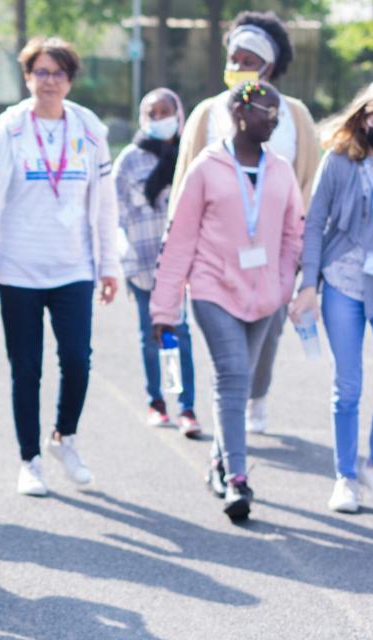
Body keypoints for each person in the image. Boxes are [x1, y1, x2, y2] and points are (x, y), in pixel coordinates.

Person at [0, 36, 119, 498]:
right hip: (17, 270)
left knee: (77, 359)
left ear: (70, 79)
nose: (49, 81)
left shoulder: (90, 130)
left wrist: (109, 263)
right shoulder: (10, 129)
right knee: (26, 368)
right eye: (40, 72)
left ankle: (64, 438)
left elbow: (106, 203)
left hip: (74, 267)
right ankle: (29, 459)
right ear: (28, 77)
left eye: (58, 72)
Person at [152, 81, 304, 521]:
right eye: (266, 110)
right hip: (214, 289)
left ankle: (220, 460)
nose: (273, 119)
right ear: (240, 112)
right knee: (233, 376)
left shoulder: (280, 170)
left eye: (278, 113)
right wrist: (164, 309)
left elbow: (293, 232)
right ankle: (238, 478)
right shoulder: (207, 167)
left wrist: (282, 281)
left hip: (266, 297)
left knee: (241, 381)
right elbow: (179, 241)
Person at [172, 11, 319, 436]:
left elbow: (307, 182)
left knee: (268, 332)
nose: (236, 64)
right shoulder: (207, 112)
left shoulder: (294, 115)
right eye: (232, 56)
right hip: (217, 255)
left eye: (247, 58)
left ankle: (256, 395)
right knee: (227, 346)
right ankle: (231, 414)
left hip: (274, 252)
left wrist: (301, 252)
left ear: (268, 67)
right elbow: (186, 181)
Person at [290, 79, 373, 515]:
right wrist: (308, 285)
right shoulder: (339, 161)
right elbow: (315, 222)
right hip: (343, 283)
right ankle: (345, 477)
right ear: (362, 118)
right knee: (348, 385)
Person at [112, 88, 200, 437]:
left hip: (180, 265)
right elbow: (115, 214)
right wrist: (122, 259)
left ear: (178, 115)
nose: (160, 118)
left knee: (179, 333)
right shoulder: (129, 160)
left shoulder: (190, 156)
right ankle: (156, 401)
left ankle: (187, 407)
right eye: (153, 112)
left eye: (166, 111)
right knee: (151, 336)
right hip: (142, 261)